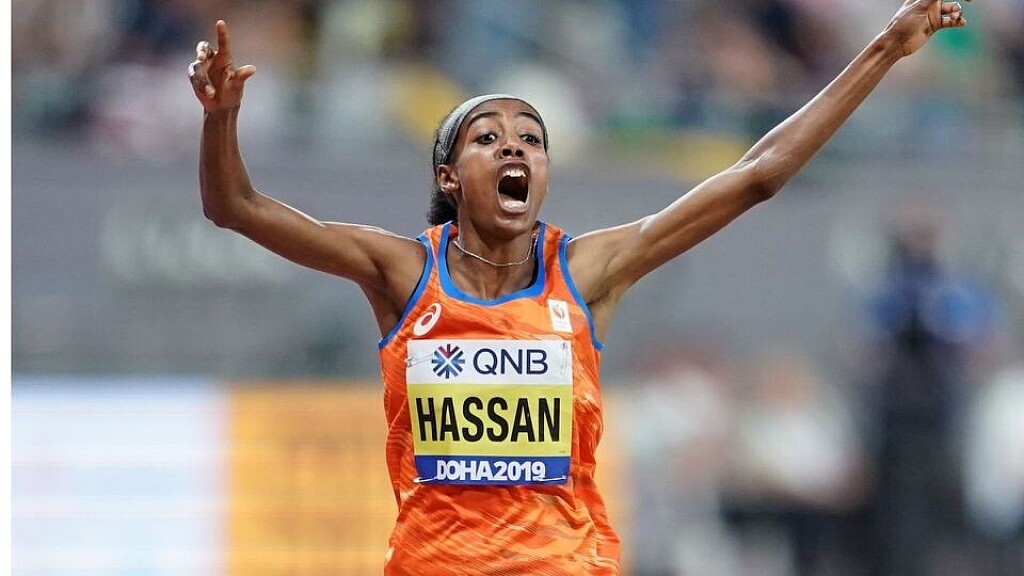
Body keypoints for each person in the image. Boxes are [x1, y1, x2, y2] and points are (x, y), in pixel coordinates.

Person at [187, 2, 971, 573]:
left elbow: (757, 175)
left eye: (531, 139)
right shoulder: (402, 274)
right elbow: (236, 208)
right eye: (489, 138)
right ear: (449, 178)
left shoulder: (587, 272)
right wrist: (220, 118)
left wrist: (884, 48)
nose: (514, 148)